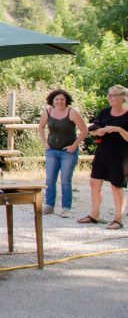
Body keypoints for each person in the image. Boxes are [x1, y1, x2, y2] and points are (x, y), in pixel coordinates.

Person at [78, 85, 128, 230]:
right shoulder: (105, 112)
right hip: (102, 152)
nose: (110, 97)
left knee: (116, 187)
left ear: (123, 97)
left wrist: (118, 129)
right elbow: (92, 130)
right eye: (109, 95)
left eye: (113, 95)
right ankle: (95, 215)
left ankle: (118, 219)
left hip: (121, 155)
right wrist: (98, 132)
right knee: (94, 183)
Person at [37, 89, 88, 217]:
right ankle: (49, 205)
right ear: (52, 100)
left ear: (66, 100)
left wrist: (74, 146)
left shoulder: (72, 112)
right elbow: (41, 127)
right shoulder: (47, 111)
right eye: (57, 99)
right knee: (50, 180)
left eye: (62, 99)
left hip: (68, 152)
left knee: (65, 180)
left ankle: (66, 208)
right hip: (52, 150)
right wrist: (44, 143)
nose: (59, 102)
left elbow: (84, 130)